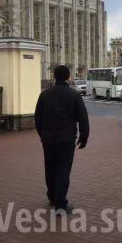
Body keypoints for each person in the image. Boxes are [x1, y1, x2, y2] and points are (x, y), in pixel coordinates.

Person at [35, 65, 90, 214]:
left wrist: (42, 135)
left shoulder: (44, 95)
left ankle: (52, 196)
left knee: (50, 167)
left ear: (54, 77)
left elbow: (37, 118)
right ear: (68, 77)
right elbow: (83, 119)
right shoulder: (74, 95)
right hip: (66, 139)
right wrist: (84, 137)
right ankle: (61, 204)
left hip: (48, 139)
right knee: (63, 170)